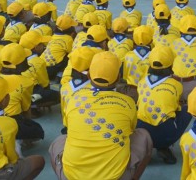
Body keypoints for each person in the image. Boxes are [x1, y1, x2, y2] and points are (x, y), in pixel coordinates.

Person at [49, 51, 153, 180]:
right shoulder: (128, 102)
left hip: (72, 176)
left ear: (89, 76)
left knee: (59, 141)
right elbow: (131, 131)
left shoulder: (74, 99)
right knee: (144, 135)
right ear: (118, 77)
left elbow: (69, 127)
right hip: (115, 176)